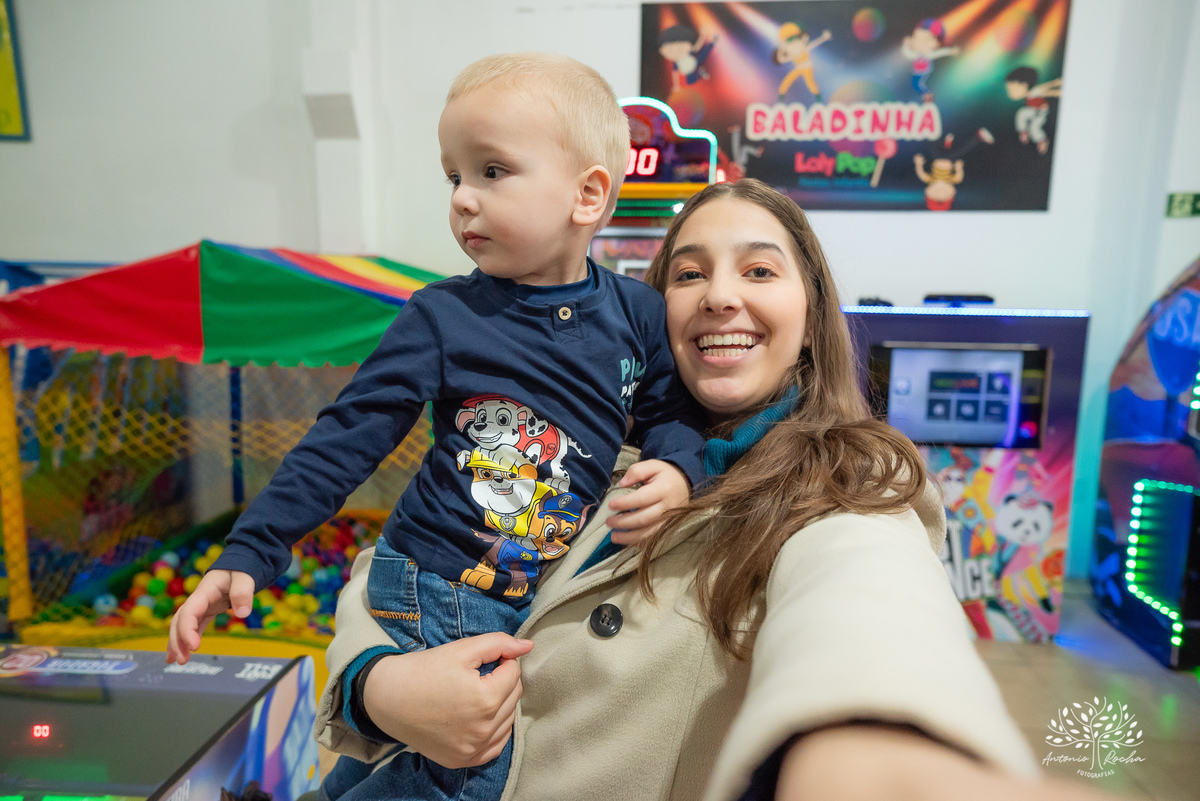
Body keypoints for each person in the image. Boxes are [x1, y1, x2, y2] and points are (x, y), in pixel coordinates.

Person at [314, 179, 1120, 800]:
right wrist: (378, 686)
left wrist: (886, 738)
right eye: (689, 273)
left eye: (759, 269)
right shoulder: (593, 440)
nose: (720, 295)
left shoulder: (842, 478)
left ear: (810, 313)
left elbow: (870, 595)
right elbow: (399, 560)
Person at [167, 53, 707, 800]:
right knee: (479, 769)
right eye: (454, 176)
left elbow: (672, 412)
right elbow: (348, 433)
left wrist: (679, 468)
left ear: (588, 195)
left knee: (401, 758)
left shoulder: (637, 316)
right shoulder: (445, 317)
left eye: (492, 171)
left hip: (515, 585)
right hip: (435, 577)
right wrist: (253, 546)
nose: (462, 200)